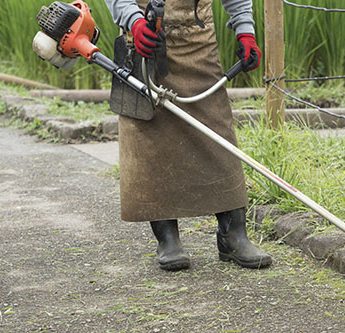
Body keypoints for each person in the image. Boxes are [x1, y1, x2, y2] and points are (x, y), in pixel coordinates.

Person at [104, 0, 272, 271]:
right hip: (145, 40)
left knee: (218, 134)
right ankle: (167, 239)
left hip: (199, 41)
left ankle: (234, 235)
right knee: (151, 138)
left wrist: (245, 30)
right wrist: (133, 21)